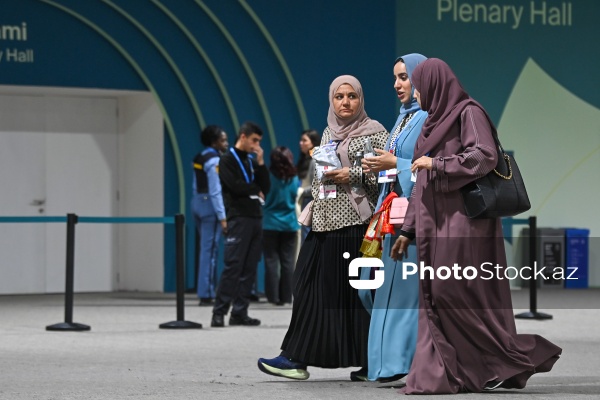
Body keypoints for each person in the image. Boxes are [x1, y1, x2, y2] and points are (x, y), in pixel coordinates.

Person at [392, 58, 562, 394]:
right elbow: (421, 183)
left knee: (449, 292)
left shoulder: (469, 112)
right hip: (433, 223)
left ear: (437, 85)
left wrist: (439, 164)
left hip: (463, 223)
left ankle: (511, 356)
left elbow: (485, 156)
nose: (416, 91)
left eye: (419, 85)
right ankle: (450, 373)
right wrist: (407, 230)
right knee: (435, 297)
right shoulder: (430, 123)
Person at [257, 75, 389, 380]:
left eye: (351, 96)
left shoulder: (376, 133)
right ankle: (300, 356)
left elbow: (387, 174)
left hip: (355, 226)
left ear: (361, 99)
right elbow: (319, 174)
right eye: (339, 97)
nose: (345, 102)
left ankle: (302, 358)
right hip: (323, 223)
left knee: (352, 297)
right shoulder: (329, 132)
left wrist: (353, 174)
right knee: (306, 286)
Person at [356, 53, 428, 382]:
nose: (397, 84)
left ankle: (400, 364)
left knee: (403, 293)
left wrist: (393, 164)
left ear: (420, 78)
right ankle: (381, 363)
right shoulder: (402, 119)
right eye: (395, 78)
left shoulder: (429, 118)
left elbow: (428, 170)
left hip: (412, 216)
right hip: (387, 214)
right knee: (376, 290)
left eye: (404, 77)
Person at [211, 121, 270, 328]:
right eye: (254, 140)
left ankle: (239, 312)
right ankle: (219, 312)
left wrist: (261, 163)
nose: (256, 145)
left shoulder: (252, 161)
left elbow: (266, 187)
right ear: (243, 137)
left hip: (255, 217)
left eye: (259, 142)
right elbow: (235, 186)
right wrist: (254, 189)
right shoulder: (227, 160)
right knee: (233, 267)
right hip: (238, 217)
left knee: (249, 268)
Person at [191, 125, 229, 306]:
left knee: (204, 249)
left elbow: (195, 184)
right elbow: (215, 190)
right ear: (214, 142)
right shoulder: (214, 161)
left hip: (197, 202)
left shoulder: (200, 156)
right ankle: (205, 293)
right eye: (223, 140)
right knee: (210, 251)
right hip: (209, 206)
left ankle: (206, 289)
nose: (226, 143)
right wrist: (222, 216)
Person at [262, 146, 300, 306]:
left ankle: (273, 296)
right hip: (289, 223)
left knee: (271, 261)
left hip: (270, 223)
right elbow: (294, 197)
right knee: (288, 261)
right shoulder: (293, 178)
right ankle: (286, 296)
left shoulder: (268, 177)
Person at [296, 129, 320, 242]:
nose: (301, 143)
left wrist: (301, 191)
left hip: (311, 202)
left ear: (313, 142)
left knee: (307, 235)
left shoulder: (315, 160)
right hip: (303, 202)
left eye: (304, 140)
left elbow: (317, 185)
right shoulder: (304, 160)